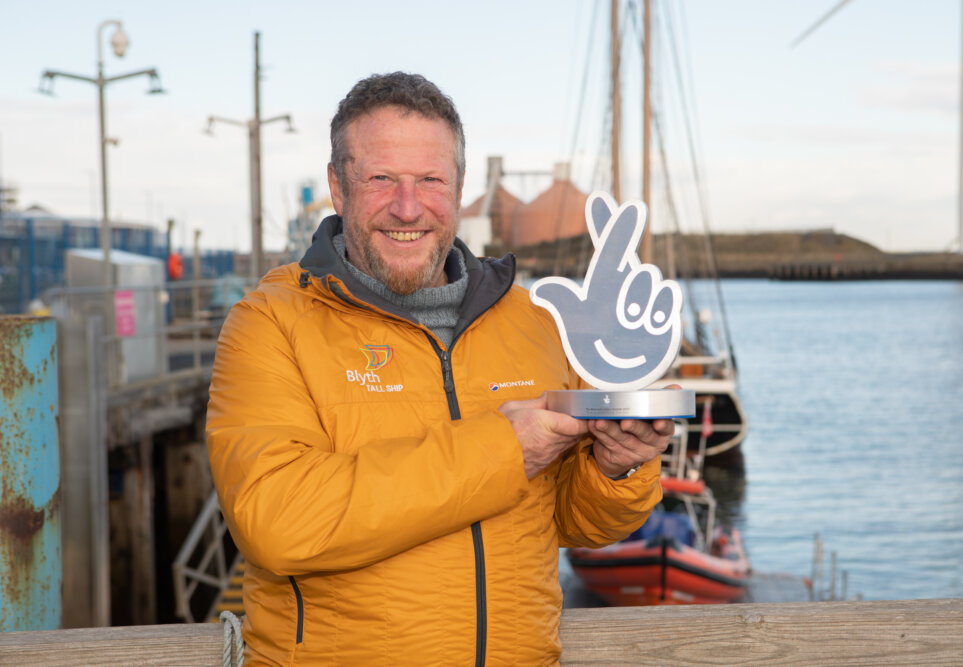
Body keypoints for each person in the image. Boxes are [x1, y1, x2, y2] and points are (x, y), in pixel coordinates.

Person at [206, 71, 673, 665]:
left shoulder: (534, 322)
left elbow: (573, 522)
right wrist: (505, 449)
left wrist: (617, 469)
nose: (408, 206)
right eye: (381, 179)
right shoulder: (270, 324)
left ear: (457, 188)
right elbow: (278, 521)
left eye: (430, 179)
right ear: (338, 187)